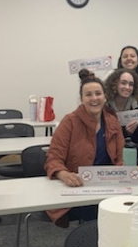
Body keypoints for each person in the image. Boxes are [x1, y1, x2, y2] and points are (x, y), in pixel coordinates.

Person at [44, 69, 124, 227]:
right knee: (98, 214)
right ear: (81, 99)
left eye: (98, 93)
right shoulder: (69, 122)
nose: (94, 98)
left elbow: (119, 158)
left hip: (107, 186)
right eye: (88, 95)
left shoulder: (112, 121)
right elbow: (53, 159)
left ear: (105, 96)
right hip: (78, 188)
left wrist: (121, 175)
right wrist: (64, 174)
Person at [104, 68, 138, 137]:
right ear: (115, 83)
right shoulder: (104, 105)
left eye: (131, 84)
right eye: (123, 83)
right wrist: (124, 132)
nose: (127, 87)